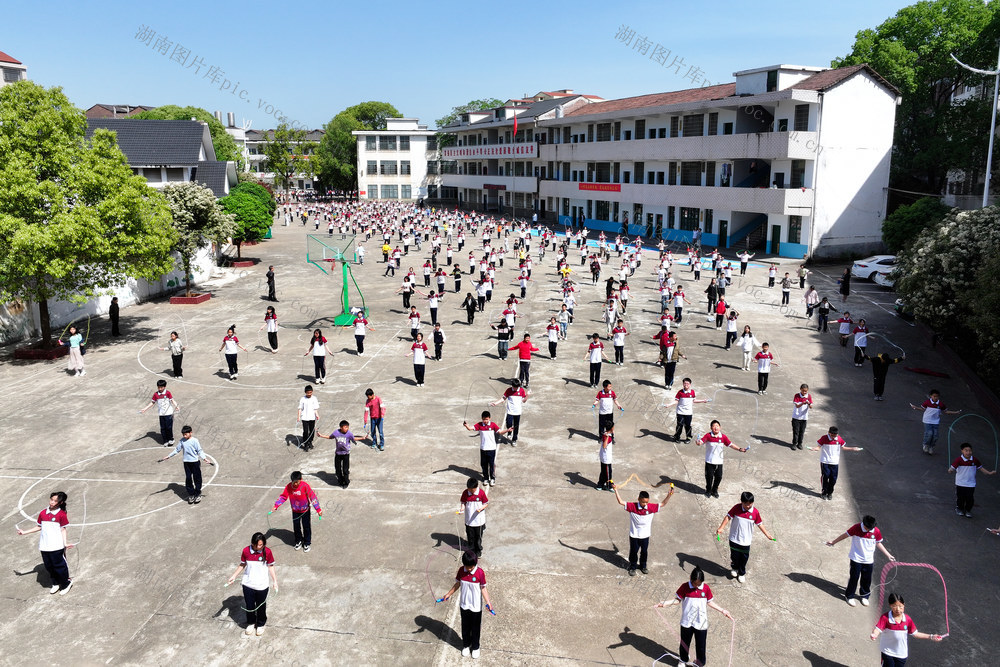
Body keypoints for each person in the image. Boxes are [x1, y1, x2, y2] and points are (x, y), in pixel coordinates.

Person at [656, 567, 733, 667]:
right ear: (690, 579)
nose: (697, 586)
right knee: (684, 643)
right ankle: (683, 659)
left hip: (701, 622)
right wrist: (666, 603)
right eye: (694, 584)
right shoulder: (684, 587)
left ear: (702, 582)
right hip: (687, 621)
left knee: (701, 645)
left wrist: (723, 610)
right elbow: (677, 600)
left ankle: (699, 663)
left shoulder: (705, 588)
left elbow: (710, 602)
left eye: (699, 584)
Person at [825, 515, 896, 606]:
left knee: (866, 579)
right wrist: (833, 542)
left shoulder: (876, 531)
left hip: (868, 560)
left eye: (870, 529)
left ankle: (864, 596)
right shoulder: (856, 528)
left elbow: (878, 543)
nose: (868, 530)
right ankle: (849, 596)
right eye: (867, 528)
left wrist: (888, 555)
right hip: (856, 558)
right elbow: (845, 535)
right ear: (864, 524)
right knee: (854, 578)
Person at [438, 552, 494, 659]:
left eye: (471, 567)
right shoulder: (461, 571)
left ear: (475, 564)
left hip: (476, 606)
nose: (469, 569)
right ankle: (466, 645)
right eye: (467, 566)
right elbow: (458, 583)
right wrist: (448, 594)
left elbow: (483, 588)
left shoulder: (480, 573)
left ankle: (476, 647)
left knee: (475, 628)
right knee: (465, 627)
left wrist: (488, 602)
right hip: (464, 605)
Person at [16, 491, 73, 595]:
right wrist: (24, 532)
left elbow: (63, 529)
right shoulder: (43, 513)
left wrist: (65, 543)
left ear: (60, 503)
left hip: (56, 546)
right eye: (51, 499)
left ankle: (66, 583)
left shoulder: (61, 514)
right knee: (49, 566)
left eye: (55, 501)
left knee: (60, 566)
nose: (52, 502)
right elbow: (39, 526)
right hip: (44, 546)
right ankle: (55, 583)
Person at [612, 483, 674, 575]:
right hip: (634, 535)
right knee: (634, 552)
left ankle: (643, 566)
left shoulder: (651, 507)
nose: (645, 504)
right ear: (638, 499)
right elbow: (620, 501)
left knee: (644, 552)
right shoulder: (632, 506)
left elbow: (663, 503)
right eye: (643, 502)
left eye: (646, 502)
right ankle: (632, 566)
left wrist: (669, 495)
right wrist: (615, 490)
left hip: (645, 535)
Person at [715, 491, 775, 582]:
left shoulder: (755, 512)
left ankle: (742, 573)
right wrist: (721, 528)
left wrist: (767, 534)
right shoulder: (736, 508)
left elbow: (760, 524)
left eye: (750, 504)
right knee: (734, 556)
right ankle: (734, 568)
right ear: (741, 502)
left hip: (746, 541)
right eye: (746, 504)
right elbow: (728, 517)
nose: (748, 506)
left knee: (744, 558)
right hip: (734, 538)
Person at [870, 593, 944, 665]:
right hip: (887, 652)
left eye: (900, 606)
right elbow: (877, 629)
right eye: (894, 606)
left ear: (904, 605)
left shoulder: (907, 619)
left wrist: (931, 636)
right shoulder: (885, 618)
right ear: (890, 606)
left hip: (902, 654)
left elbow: (915, 634)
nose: (898, 609)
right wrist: (874, 634)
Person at [227, 532, 278, 637]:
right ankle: (250, 623)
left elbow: (271, 566)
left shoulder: (267, 552)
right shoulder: (246, 551)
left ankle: (260, 624)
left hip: (262, 585)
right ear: (253, 543)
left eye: (262, 545)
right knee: (249, 606)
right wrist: (234, 576)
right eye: (258, 545)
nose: (260, 547)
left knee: (261, 606)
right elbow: (242, 564)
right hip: (248, 584)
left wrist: (275, 581)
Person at [157, 425, 214, 503]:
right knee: (188, 478)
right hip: (186, 463)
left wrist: (205, 458)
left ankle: (197, 493)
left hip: (195, 462)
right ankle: (191, 494)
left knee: (197, 478)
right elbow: (177, 450)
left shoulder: (195, 441)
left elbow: (199, 451)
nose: (184, 435)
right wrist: (168, 456)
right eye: (183, 434)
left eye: (186, 434)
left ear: (191, 432)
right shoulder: (182, 441)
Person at [271, 471, 323, 552]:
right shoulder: (288, 487)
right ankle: (298, 540)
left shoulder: (305, 486)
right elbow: (283, 497)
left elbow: (312, 497)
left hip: (305, 511)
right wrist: (276, 505)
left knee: (306, 527)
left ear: (301, 479)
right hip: (295, 511)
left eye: (297, 482)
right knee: (296, 527)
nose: (295, 484)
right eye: (293, 482)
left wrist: (318, 509)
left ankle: (307, 542)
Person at [697, 420, 747, 498]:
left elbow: (731, 444)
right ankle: (708, 490)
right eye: (714, 426)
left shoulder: (723, 437)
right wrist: (698, 442)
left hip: (719, 462)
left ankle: (715, 490)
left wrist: (740, 449)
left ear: (720, 427)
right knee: (709, 477)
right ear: (711, 428)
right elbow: (701, 441)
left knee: (719, 477)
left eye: (717, 426)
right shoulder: (708, 436)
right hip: (709, 461)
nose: (716, 427)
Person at [809, 426, 862, 500]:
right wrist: (814, 449)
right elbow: (818, 447)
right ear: (829, 433)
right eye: (833, 436)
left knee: (833, 479)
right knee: (825, 476)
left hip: (834, 462)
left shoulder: (839, 438)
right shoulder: (824, 438)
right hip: (825, 461)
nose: (834, 437)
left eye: (835, 435)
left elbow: (843, 447)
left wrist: (853, 448)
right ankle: (824, 492)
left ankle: (830, 493)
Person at [949, 442, 996, 517]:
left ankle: (968, 510)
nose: (968, 452)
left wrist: (990, 473)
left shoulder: (975, 460)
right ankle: (959, 508)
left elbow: (981, 468)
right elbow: (952, 467)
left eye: (970, 450)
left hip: (971, 483)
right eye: (966, 450)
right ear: (962, 451)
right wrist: (950, 470)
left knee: (970, 498)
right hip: (960, 483)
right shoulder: (959, 460)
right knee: (960, 497)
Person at [910, 389, 961, 455]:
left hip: (935, 422)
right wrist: (915, 407)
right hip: (927, 420)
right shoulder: (927, 402)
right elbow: (922, 408)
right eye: (934, 396)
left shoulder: (941, 404)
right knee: (929, 433)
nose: (935, 398)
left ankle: (931, 447)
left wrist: (955, 412)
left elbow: (946, 411)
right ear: (931, 396)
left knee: (935, 436)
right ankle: (925, 444)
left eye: (937, 396)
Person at [661, 377, 709, 442]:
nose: (686, 384)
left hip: (688, 413)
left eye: (687, 383)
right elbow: (676, 401)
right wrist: (669, 405)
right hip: (680, 412)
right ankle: (677, 437)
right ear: (683, 384)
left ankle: (688, 437)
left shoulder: (692, 392)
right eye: (684, 383)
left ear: (690, 384)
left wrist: (703, 401)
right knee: (679, 425)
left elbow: (694, 400)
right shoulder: (680, 392)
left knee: (688, 426)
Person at [139, 379, 179, 446]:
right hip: (161, 414)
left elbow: (172, 400)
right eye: (158, 387)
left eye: (161, 387)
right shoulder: (156, 394)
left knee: (168, 427)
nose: (160, 389)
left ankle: (171, 439)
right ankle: (165, 440)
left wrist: (176, 406)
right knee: (163, 428)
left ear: (164, 387)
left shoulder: (168, 393)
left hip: (169, 413)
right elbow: (152, 403)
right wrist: (145, 409)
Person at [317, 420, 355, 488]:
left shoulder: (349, 433)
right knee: (338, 469)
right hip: (338, 454)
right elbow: (330, 437)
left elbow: (354, 438)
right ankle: (340, 481)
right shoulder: (336, 433)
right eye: (345, 427)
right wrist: (321, 435)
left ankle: (346, 482)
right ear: (341, 427)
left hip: (346, 454)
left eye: (347, 427)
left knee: (345, 470)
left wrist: (363, 438)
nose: (347, 428)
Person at [491, 379, 528, 446]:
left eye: (517, 387)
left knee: (516, 426)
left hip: (517, 412)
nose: (515, 389)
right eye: (514, 387)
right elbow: (503, 398)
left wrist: (527, 395)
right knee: (509, 423)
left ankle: (514, 440)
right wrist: (496, 403)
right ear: (512, 386)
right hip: (510, 411)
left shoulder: (522, 390)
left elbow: (524, 400)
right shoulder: (508, 390)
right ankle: (509, 433)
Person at [461, 477, 488, 558]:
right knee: (470, 536)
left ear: (476, 487)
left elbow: (486, 503)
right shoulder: (466, 493)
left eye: (472, 490)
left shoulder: (481, 493)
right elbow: (463, 502)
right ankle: (471, 550)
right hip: (469, 520)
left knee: (478, 537)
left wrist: (481, 508)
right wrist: (462, 508)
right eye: (469, 489)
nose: (470, 491)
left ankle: (478, 550)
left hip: (478, 521)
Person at [791, 384, 813, 450]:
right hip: (796, 417)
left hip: (804, 417)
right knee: (796, 431)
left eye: (806, 391)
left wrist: (809, 404)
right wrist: (802, 403)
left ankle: (800, 443)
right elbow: (797, 406)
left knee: (802, 431)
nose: (804, 392)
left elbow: (811, 407)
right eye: (803, 391)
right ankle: (794, 443)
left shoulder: (809, 396)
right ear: (800, 389)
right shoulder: (797, 395)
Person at [297, 385, 319, 451]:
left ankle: (310, 441)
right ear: (305, 392)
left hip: (312, 417)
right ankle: (305, 443)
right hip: (304, 417)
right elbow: (300, 408)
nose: (309, 394)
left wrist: (317, 415)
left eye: (310, 392)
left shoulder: (314, 398)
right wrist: (298, 416)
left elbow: (315, 408)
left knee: (312, 430)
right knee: (306, 431)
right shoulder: (302, 399)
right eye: (308, 393)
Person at [597, 426, 615, 491]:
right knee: (608, 473)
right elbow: (604, 446)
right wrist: (607, 437)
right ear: (612, 428)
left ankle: (600, 485)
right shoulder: (607, 437)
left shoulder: (606, 433)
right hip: (606, 459)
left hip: (603, 457)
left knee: (603, 472)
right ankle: (609, 486)